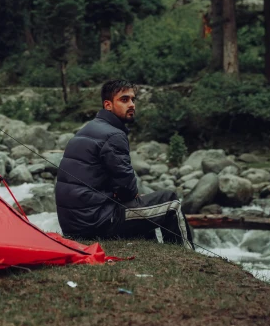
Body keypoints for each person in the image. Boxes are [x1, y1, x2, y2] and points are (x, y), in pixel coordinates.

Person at [55, 79, 193, 249]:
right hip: (95, 222)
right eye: (124, 99)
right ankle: (186, 256)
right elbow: (127, 188)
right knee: (172, 202)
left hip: (75, 224)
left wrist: (126, 196)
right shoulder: (113, 135)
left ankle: (154, 252)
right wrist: (131, 195)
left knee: (143, 207)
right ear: (108, 105)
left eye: (133, 99)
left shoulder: (89, 128)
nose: (132, 104)